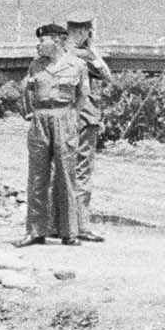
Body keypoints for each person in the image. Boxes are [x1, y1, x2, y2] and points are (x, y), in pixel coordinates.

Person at [18, 23, 87, 246]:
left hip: (64, 117)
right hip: (40, 120)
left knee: (66, 176)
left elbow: (82, 96)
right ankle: (36, 231)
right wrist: (30, 115)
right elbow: (27, 92)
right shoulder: (35, 66)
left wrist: (72, 117)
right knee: (37, 175)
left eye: (42, 40)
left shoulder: (77, 65)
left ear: (56, 41)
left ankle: (69, 233)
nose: (39, 45)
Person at [65, 17, 115, 242]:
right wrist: (92, 49)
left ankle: (61, 224)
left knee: (62, 170)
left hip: (63, 118)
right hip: (84, 117)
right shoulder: (85, 56)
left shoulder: (58, 54)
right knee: (82, 172)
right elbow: (107, 76)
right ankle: (80, 225)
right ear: (86, 32)